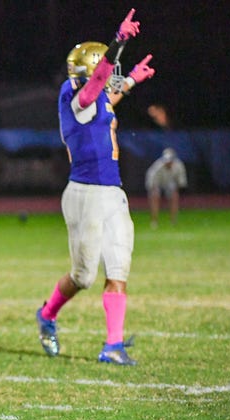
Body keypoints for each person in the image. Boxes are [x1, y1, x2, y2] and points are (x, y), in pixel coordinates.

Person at [35, 8, 155, 366]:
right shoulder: (73, 96)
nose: (110, 77)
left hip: (113, 193)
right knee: (83, 276)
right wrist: (118, 42)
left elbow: (106, 94)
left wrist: (132, 80)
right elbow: (94, 91)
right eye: (106, 70)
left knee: (118, 269)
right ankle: (48, 314)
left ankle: (112, 346)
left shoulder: (96, 98)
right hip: (85, 194)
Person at [145, 148, 187, 227]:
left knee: (174, 196)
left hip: (170, 184)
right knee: (155, 196)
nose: (168, 163)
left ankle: (173, 220)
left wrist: (175, 190)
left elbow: (181, 182)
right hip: (157, 183)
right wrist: (154, 190)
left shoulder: (179, 166)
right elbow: (151, 181)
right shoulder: (157, 166)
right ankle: (154, 220)